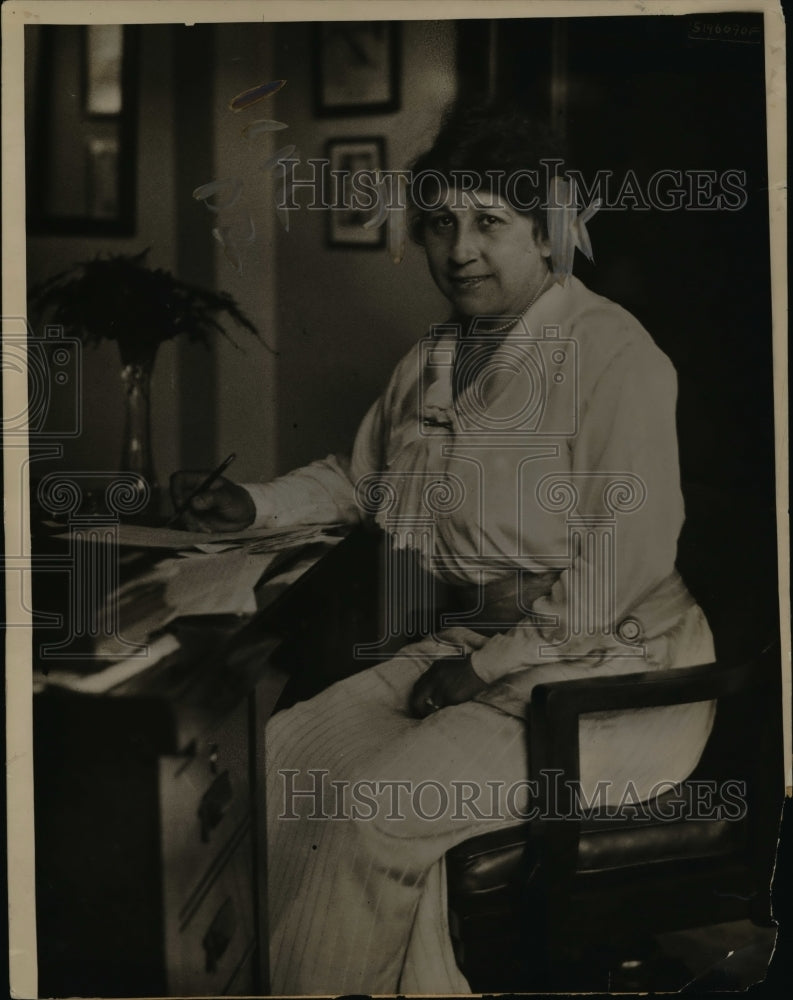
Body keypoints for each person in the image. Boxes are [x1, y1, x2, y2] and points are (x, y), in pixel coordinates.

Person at [171, 104, 716, 994]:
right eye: (439, 223)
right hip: (475, 647)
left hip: (609, 676)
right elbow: (363, 483)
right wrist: (249, 505)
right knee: (277, 764)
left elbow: (623, 562)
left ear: (545, 234)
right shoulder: (435, 356)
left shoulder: (612, 353)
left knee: (374, 814)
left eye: (489, 223)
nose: (458, 250)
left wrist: (491, 664)